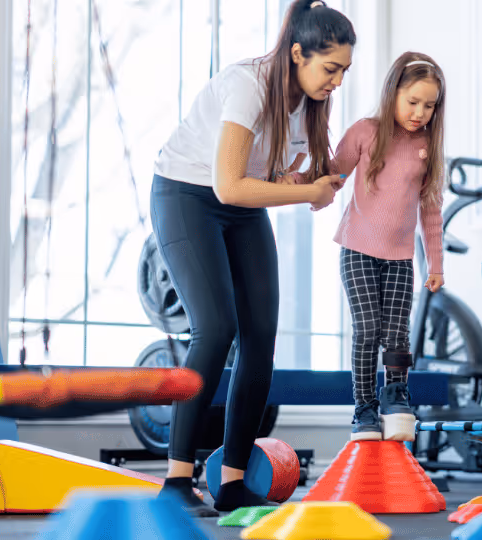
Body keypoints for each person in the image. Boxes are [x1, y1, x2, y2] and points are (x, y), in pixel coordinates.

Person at [148, 0, 354, 516]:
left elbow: (269, 178)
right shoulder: (248, 84)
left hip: (239, 207)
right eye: (330, 69)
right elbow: (230, 184)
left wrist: (302, 183)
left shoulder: (308, 104)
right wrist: (306, 196)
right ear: (298, 53)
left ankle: (233, 480)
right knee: (215, 329)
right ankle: (176, 480)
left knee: (260, 338)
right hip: (186, 195)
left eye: (344, 72)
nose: (336, 82)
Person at [295, 52, 447, 442]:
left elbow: (431, 208)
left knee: (397, 333)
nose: (420, 112)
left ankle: (395, 396)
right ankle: (364, 407)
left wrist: (436, 264)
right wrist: (304, 186)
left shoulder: (427, 146)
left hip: (400, 258)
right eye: (412, 102)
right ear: (393, 92)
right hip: (358, 249)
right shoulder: (365, 131)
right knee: (367, 329)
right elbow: (334, 173)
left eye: (429, 106)